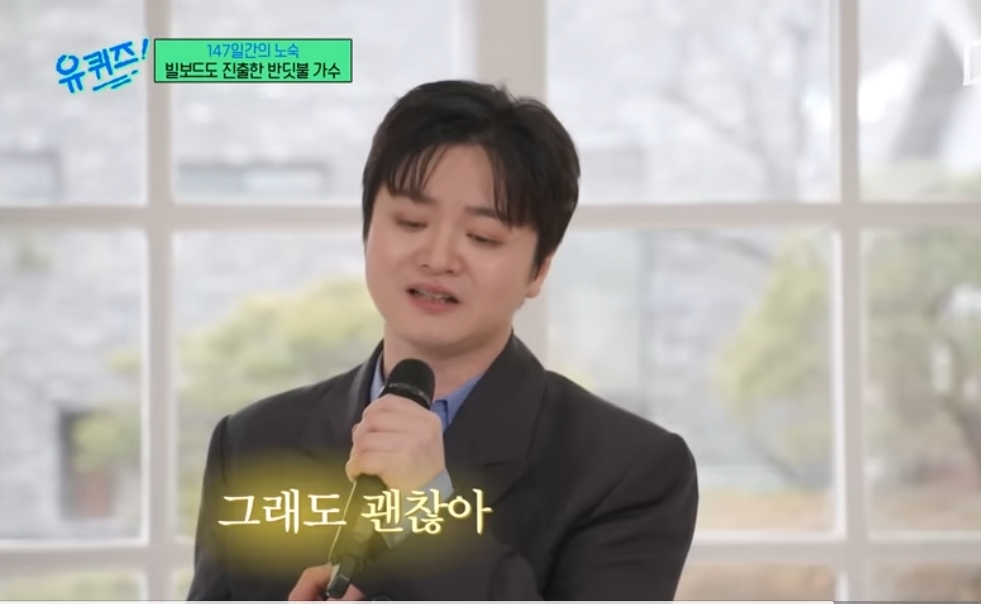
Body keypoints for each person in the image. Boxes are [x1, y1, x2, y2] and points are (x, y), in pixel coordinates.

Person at [186, 79, 699, 601]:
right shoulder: (252, 443)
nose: (437, 257)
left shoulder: (630, 470)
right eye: (411, 222)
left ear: (538, 269)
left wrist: (426, 511)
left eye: (482, 237)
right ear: (367, 230)